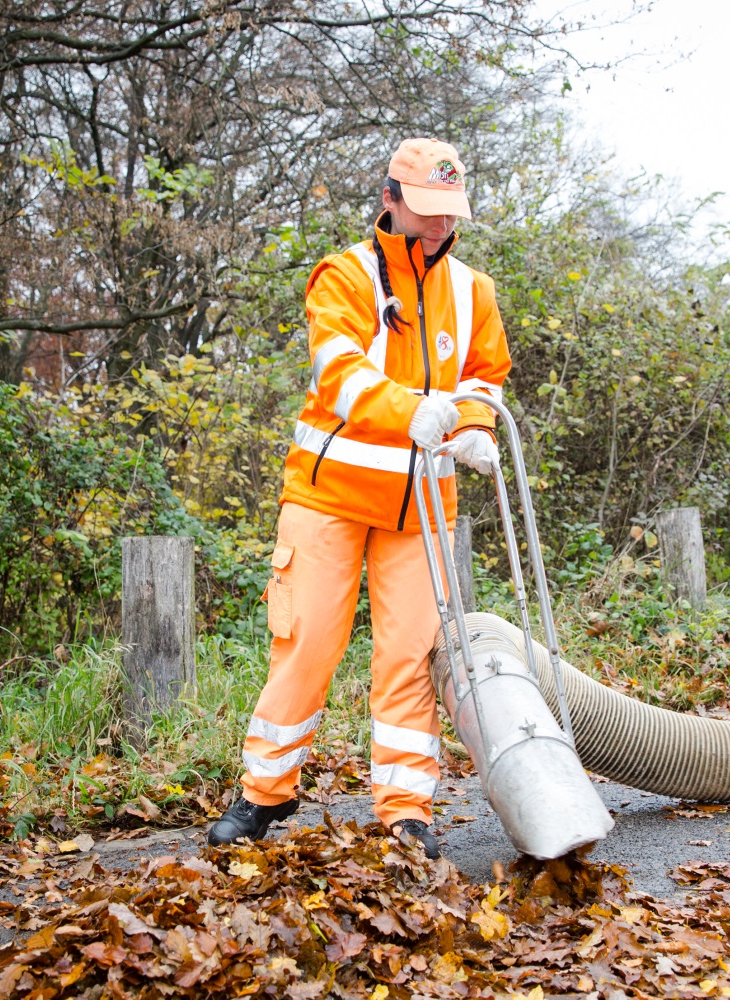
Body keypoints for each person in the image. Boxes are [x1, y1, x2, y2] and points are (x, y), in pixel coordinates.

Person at [207, 138, 510, 858]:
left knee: (408, 657)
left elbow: (482, 379)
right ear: (390, 200)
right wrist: (408, 410)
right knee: (306, 642)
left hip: (422, 510)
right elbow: (337, 373)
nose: (440, 226)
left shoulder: (474, 291)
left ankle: (406, 811)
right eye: (427, 211)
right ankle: (263, 796)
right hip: (329, 497)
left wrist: (473, 427)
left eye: (450, 213)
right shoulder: (342, 277)